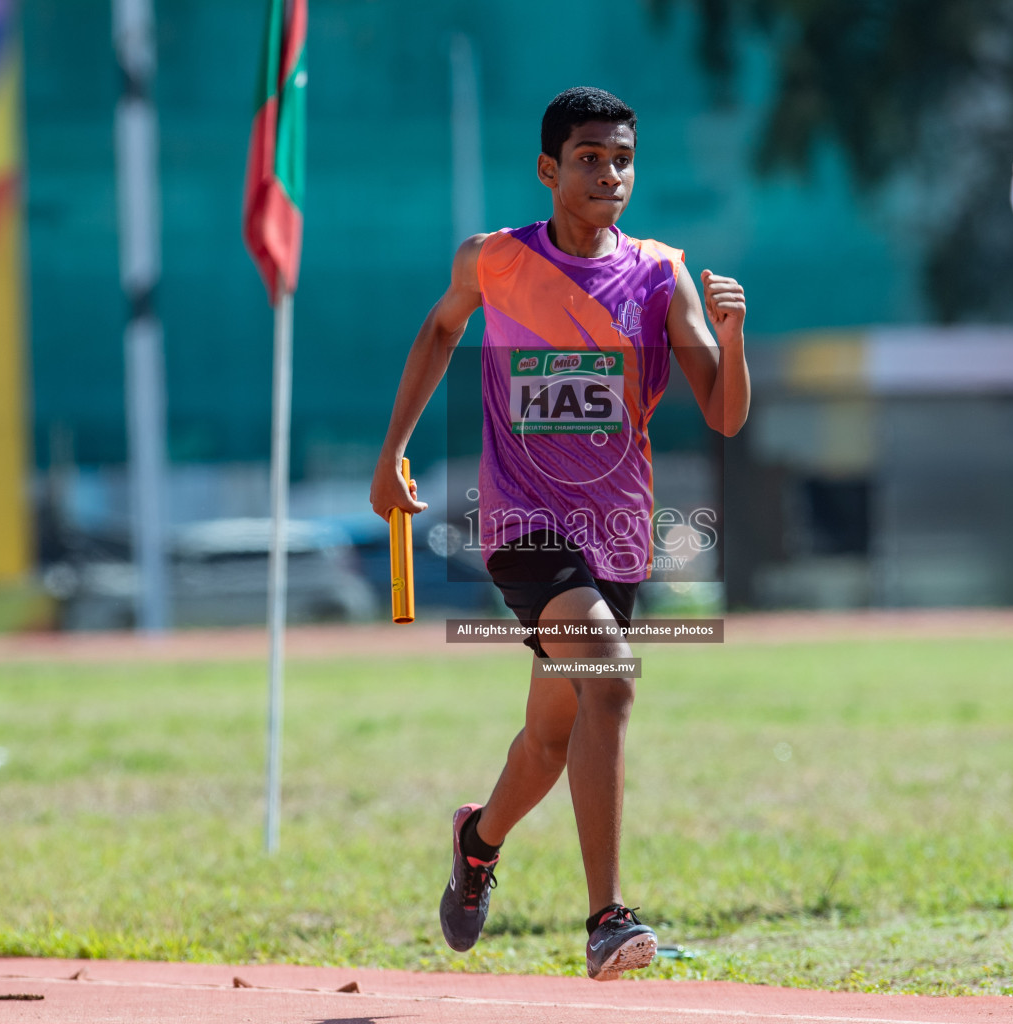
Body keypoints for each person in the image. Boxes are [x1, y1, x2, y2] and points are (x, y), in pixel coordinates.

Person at [369, 86, 750, 981]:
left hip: (617, 534)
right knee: (609, 679)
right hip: (522, 524)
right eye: (589, 157)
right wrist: (392, 453)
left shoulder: (662, 273)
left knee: (553, 729)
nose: (609, 173)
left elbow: (725, 416)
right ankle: (609, 918)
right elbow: (437, 331)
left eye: (622, 158)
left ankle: (478, 839)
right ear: (549, 169)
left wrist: (732, 341)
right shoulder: (494, 260)